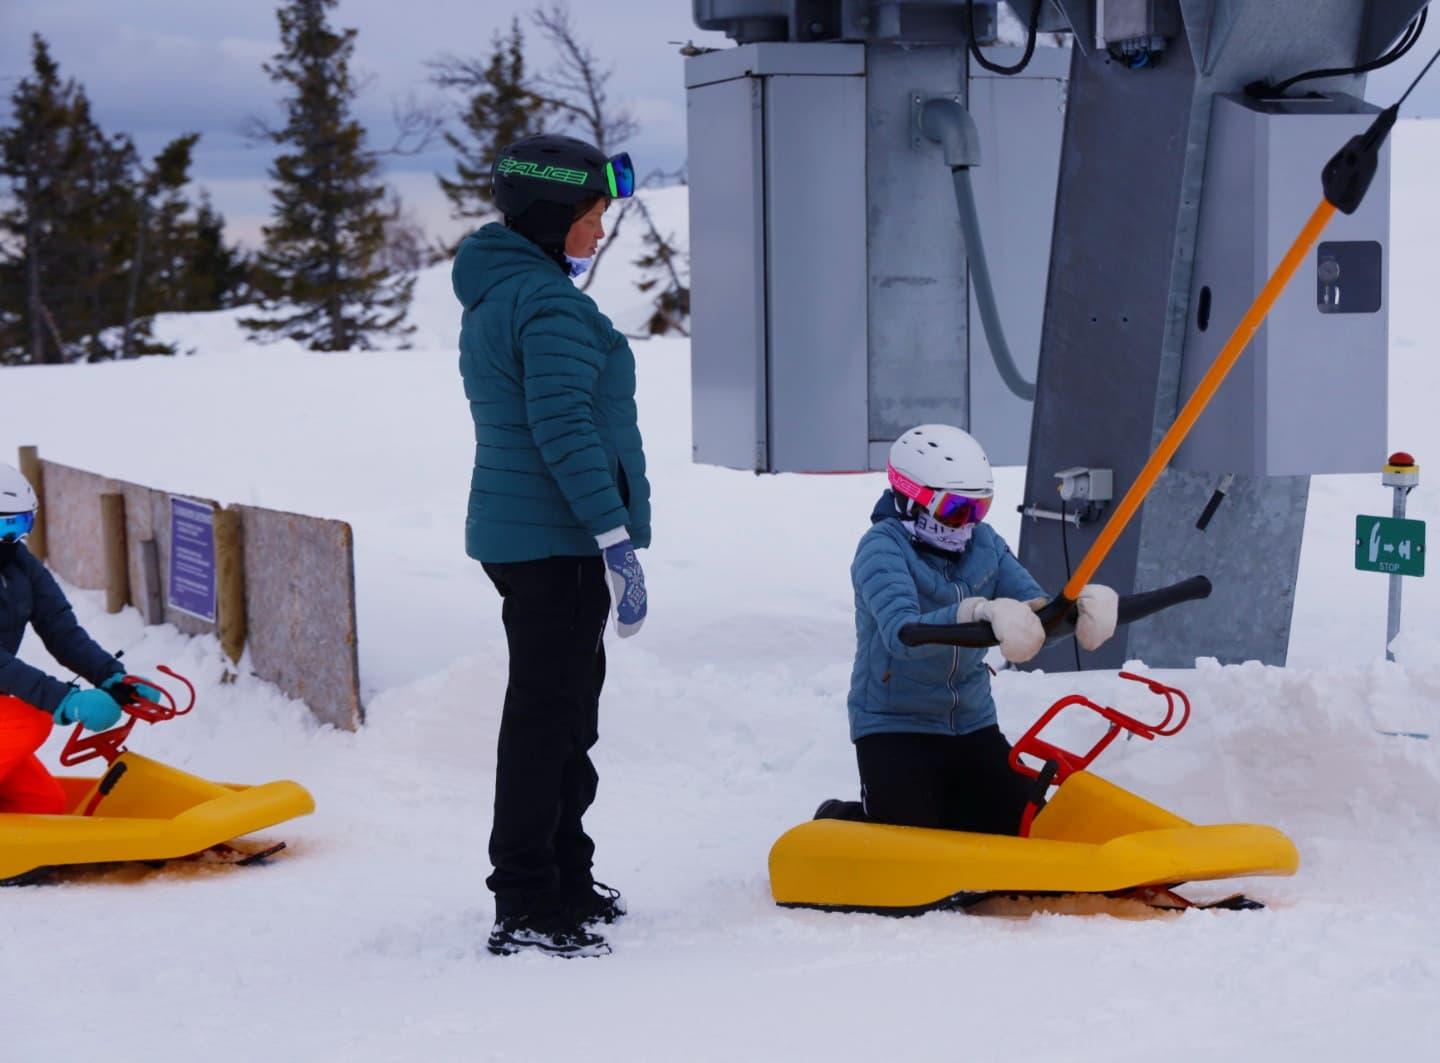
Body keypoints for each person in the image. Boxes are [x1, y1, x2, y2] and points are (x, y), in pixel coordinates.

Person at [452, 134, 651, 959]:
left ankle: (564, 874)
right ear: (549, 211)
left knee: (565, 714)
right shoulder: (548, 304)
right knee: (548, 722)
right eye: (591, 208)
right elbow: (563, 426)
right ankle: (528, 899)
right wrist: (614, 538)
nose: (601, 224)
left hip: (530, 534)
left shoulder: (504, 291)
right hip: (556, 540)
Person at [820, 425, 1118, 835]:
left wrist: (1076, 612)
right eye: (957, 510)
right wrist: (976, 611)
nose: (968, 524)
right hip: (894, 726)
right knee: (913, 840)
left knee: (1023, 826)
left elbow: (1033, 613)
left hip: (973, 723)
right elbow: (901, 634)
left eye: (980, 509)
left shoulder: (984, 543)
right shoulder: (882, 548)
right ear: (913, 499)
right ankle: (842, 819)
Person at [0, 463, 160, 815]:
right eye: (4, 526)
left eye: (21, 525)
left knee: (41, 805)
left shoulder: (17, 565)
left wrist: (111, 676)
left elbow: (60, 629)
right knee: (30, 719)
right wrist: (63, 699)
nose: (14, 539)